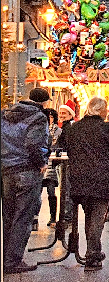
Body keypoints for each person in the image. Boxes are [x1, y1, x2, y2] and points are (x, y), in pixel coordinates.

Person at [65, 97, 109, 271]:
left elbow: (67, 149)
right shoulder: (107, 129)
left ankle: (94, 251)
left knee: (89, 215)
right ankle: (92, 255)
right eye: (106, 109)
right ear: (100, 110)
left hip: (78, 179)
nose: (107, 112)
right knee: (97, 217)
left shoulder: (74, 128)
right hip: (102, 179)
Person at [2, 88, 50, 274]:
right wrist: (41, 163)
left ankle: (4, 256)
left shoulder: (6, 113)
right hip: (27, 171)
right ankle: (13, 260)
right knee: (23, 217)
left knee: (8, 216)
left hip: (7, 169)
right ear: (44, 102)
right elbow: (34, 144)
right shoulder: (38, 117)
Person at [56, 99, 77, 224]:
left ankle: (67, 217)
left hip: (67, 163)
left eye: (64, 113)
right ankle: (65, 216)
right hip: (62, 161)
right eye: (61, 112)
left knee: (66, 189)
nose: (62, 115)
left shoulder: (69, 128)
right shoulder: (63, 127)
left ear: (70, 115)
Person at [43, 108, 62, 227]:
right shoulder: (39, 129)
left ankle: (53, 217)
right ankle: (34, 217)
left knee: (51, 191)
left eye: (51, 117)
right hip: (41, 163)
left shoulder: (58, 131)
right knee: (36, 194)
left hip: (51, 164)